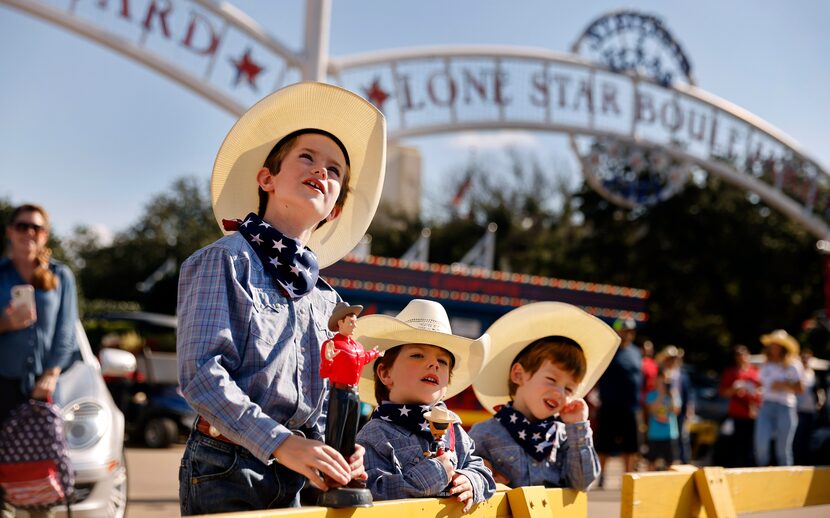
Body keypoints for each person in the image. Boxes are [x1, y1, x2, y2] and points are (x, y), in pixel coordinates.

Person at [176, 82, 387, 515]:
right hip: (228, 464)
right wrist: (281, 443)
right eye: (307, 157)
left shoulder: (328, 301)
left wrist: (343, 447)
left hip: (301, 473)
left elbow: (329, 398)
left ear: (335, 210)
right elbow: (201, 374)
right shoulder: (225, 260)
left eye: (335, 171)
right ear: (266, 178)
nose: (322, 171)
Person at [353, 299, 495, 512]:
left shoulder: (454, 429)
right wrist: (432, 475)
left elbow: (482, 471)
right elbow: (372, 490)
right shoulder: (374, 434)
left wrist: (471, 480)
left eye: (443, 361)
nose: (434, 364)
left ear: (447, 384)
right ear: (385, 373)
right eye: (417, 355)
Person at [469, 302, 620, 490]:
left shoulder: (566, 436)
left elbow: (582, 483)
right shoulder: (484, 434)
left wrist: (578, 427)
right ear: (518, 375)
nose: (560, 393)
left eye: (569, 389)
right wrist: (476, 473)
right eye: (551, 379)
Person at [0, 204, 79, 518]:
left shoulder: (61, 275)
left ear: (46, 235)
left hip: (43, 388)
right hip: (2, 386)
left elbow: (67, 330)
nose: (29, 233)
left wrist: (51, 373)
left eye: (37, 228)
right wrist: (6, 323)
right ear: (10, 231)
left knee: (40, 473)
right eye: (22, 226)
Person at [319, 302, 381, 489]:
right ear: (340, 323)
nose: (354, 325)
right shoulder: (332, 345)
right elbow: (324, 372)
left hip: (354, 393)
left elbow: (363, 358)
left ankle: (347, 471)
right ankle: (331, 472)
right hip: (339, 392)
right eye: (351, 322)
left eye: (355, 322)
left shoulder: (357, 346)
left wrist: (376, 353)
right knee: (335, 432)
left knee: (349, 433)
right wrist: (328, 360)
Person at [595, 317, 643, 482]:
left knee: (631, 445)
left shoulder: (636, 353)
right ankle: (601, 476)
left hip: (631, 407)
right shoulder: (608, 351)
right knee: (604, 444)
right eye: (623, 330)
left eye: (629, 331)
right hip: (609, 405)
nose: (626, 334)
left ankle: (628, 477)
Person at [754, 329, 804, 467]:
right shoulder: (765, 364)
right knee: (761, 444)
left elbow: (800, 389)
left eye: (777, 344)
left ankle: (787, 481)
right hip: (766, 406)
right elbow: (760, 385)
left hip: (785, 407)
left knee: (783, 450)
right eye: (772, 344)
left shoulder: (794, 365)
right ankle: (761, 476)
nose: (774, 346)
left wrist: (783, 384)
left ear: (783, 347)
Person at [718, 344, 761, 467]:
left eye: (743, 354)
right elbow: (723, 392)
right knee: (737, 444)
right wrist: (735, 388)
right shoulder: (731, 372)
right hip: (737, 413)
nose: (741, 357)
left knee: (752, 444)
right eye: (738, 354)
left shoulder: (755, 371)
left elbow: (761, 390)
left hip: (753, 413)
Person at [655, 345, 694, 463]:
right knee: (667, 438)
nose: (672, 361)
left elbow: (688, 393)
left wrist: (689, 409)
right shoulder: (661, 374)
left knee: (682, 436)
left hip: (680, 409)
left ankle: (683, 461)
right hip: (665, 409)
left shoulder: (682, 374)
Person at [644, 369, 681, 471]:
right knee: (651, 462)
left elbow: (675, 411)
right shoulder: (651, 395)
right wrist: (661, 394)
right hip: (654, 434)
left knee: (671, 462)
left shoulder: (673, 394)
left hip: (670, 434)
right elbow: (651, 410)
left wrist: (671, 394)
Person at [794, 349, 821, 465]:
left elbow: (817, 391)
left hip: (811, 411)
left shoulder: (812, 373)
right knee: (797, 438)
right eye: (803, 357)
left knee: (808, 438)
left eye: (808, 358)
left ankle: (806, 462)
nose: (805, 360)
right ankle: (796, 461)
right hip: (799, 410)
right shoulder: (796, 372)